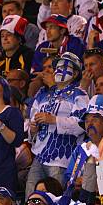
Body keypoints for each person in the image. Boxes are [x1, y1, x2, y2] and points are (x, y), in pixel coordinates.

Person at [26, 52, 88, 192]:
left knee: (56, 196)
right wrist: (33, 129)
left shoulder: (79, 94)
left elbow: (81, 124)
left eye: (65, 67)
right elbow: (31, 121)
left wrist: (54, 120)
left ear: (76, 72)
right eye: (57, 67)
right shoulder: (43, 94)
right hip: (39, 155)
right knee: (30, 193)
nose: (59, 70)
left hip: (62, 158)